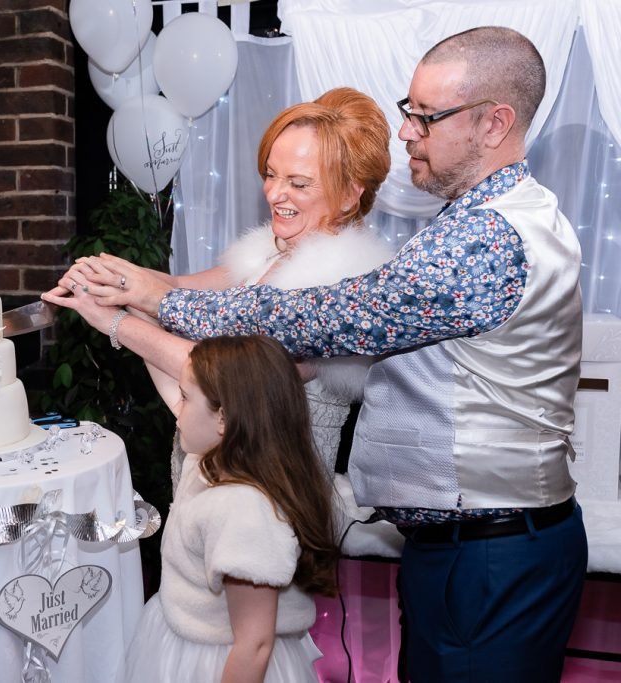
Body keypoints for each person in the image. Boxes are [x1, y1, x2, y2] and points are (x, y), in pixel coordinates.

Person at [62, 26, 587, 682]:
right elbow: (212, 292)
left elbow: (301, 325)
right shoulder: (481, 222)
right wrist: (134, 286)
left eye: (426, 116)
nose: (407, 131)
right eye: (409, 111)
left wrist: (131, 312)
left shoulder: (482, 239)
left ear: (493, 123)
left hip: (486, 552)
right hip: (469, 545)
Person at [49, 87, 394, 487]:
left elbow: (229, 375)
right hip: (213, 472)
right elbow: (176, 288)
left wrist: (113, 321)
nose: (274, 193)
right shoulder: (268, 253)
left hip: (271, 491)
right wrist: (107, 274)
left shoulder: (338, 288)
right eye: (270, 174)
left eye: (298, 183)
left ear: (350, 195)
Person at [120, 335, 339, 683]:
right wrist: (122, 316)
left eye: (186, 398)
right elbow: (172, 385)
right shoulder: (211, 456)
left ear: (223, 418)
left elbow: (255, 644)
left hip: (221, 663)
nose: (178, 408)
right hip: (188, 637)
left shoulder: (244, 510)